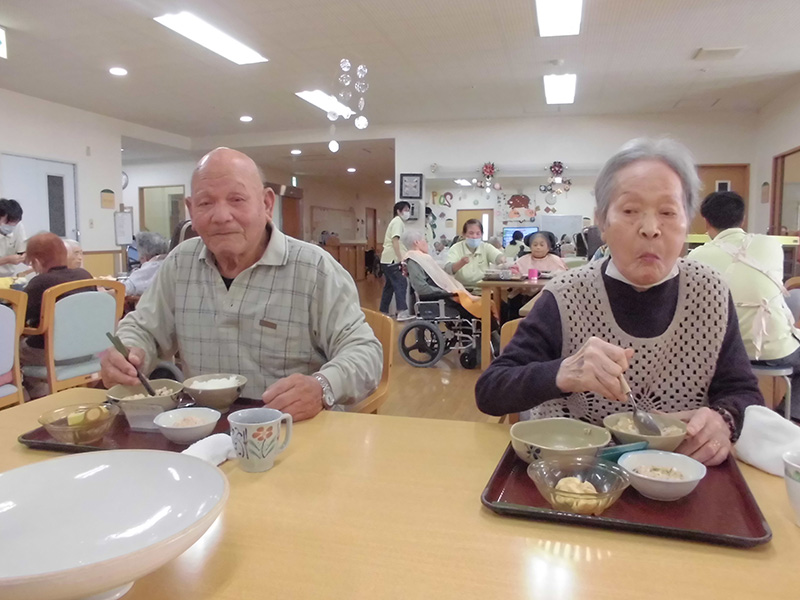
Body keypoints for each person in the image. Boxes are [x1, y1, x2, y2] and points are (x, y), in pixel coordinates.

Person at [475, 138, 763, 466]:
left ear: (687, 222)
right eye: (629, 211)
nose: (651, 229)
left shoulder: (710, 292)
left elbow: (744, 393)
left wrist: (724, 420)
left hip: (680, 476)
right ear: (602, 221)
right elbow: (490, 392)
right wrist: (562, 372)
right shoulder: (566, 295)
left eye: (668, 212)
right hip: (574, 476)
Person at [101, 147, 382, 422]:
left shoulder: (314, 268)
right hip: (203, 429)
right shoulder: (179, 263)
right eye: (205, 203)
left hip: (292, 430)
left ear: (267, 204)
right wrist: (129, 351)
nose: (221, 216)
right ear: (191, 210)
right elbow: (143, 328)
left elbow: (365, 353)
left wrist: (322, 386)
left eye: (236, 199)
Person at [689, 191, 800, 421]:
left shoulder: (696, 257)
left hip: (721, 356)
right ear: (743, 218)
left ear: (706, 221)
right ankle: (788, 417)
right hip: (774, 351)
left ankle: (721, 415)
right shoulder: (771, 245)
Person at [20, 233, 94, 385]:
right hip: (86, 351)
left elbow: (18, 320)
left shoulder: (40, 283)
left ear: (36, 262)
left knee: (10, 352)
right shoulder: (85, 276)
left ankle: (28, 394)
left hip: (52, 354)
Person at [402, 229, 499, 333]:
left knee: (484, 305)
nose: (427, 243)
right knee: (481, 310)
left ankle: (489, 337)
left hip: (444, 297)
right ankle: (488, 338)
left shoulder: (422, 258)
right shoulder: (414, 260)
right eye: (424, 240)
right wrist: (447, 292)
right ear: (417, 242)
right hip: (441, 299)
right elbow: (421, 288)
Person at [445, 219, 506, 290]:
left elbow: (498, 256)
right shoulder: (456, 248)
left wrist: (502, 260)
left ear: (481, 235)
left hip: (483, 288)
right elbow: (448, 269)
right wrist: (461, 263)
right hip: (462, 289)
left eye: (478, 233)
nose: (474, 236)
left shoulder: (486, 247)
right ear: (464, 234)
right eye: (471, 233)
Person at [379, 201, 412, 321]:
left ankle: (383, 311)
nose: (408, 212)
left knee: (389, 286)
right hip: (392, 259)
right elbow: (395, 241)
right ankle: (402, 312)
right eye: (405, 210)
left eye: (408, 210)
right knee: (401, 283)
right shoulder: (397, 222)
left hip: (386, 260)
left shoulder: (396, 222)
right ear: (398, 211)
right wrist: (400, 258)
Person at [124, 231, 169, 296]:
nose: (139, 259)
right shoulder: (170, 264)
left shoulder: (149, 268)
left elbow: (125, 289)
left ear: (145, 256)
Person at [0, 199, 27, 278]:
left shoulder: (18, 226)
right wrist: (6, 260)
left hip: (8, 277)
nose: (11, 226)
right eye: (8, 222)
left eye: (15, 223)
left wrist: (24, 257)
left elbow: (22, 250)